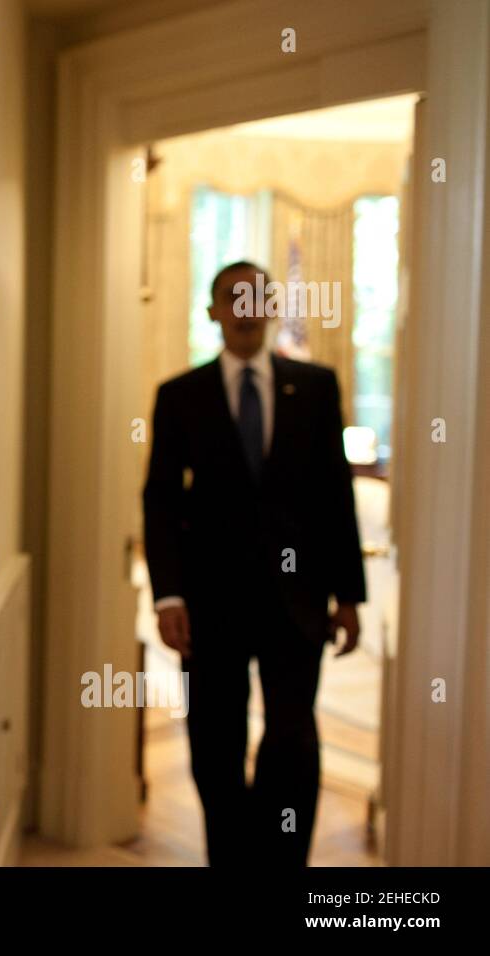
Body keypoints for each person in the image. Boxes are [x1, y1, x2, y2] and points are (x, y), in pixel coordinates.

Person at [141, 260, 366, 866]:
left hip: (297, 601)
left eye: (255, 298)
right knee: (215, 741)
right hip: (209, 605)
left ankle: (280, 858)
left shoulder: (316, 388)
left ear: (271, 307)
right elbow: (160, 500)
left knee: (292, 737)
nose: (244, 310)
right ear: (212, 311)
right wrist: (168, 597)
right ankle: (232, 857)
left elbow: (334, 494)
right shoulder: (179, 396)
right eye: (230, 300)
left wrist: (348, 595)